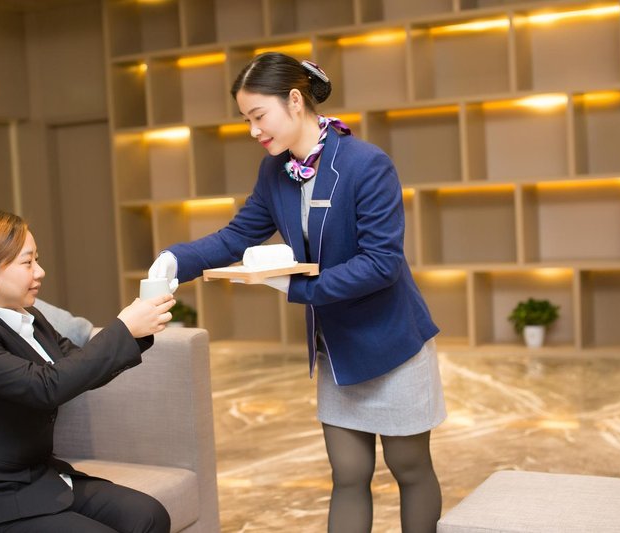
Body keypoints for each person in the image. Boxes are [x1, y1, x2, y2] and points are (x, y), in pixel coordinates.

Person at [148, 52, 446, 532]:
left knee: (409, 468)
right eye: (246, 120)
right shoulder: (275, 172)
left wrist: (297, 286)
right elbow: (236, 237)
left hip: (393, 344)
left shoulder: (366, 164)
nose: (253, 131)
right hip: (338, 349)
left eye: (258, 116)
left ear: (294, 100)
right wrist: (175, 260)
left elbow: (381, 263)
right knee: (348, 474)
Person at [0, 208, 174, 533]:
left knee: (149, 516)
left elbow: (79, 365)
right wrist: (123, 328)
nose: (40, 272)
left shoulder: (27, 317)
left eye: (37, 259)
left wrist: (136, 332)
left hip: (35, 479)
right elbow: (46, 387)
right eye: (28, 263)